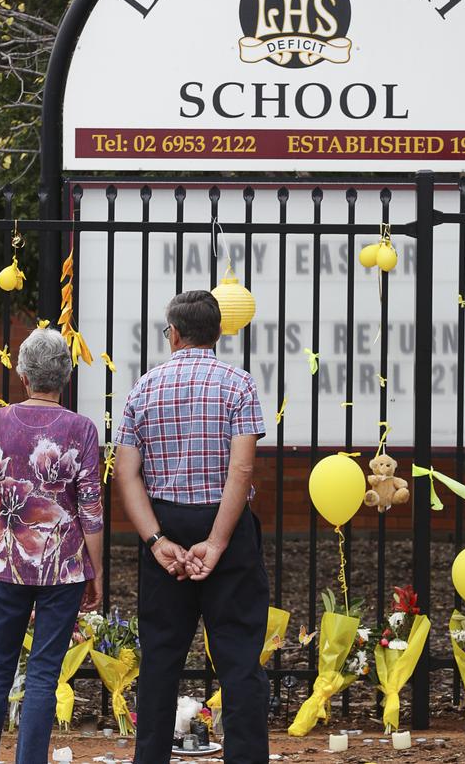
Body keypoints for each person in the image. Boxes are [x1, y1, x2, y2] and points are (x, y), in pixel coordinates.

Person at [114, 290, 269, 764]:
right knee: (239, 655)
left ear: (174, 333)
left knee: (161, 655)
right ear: (218, 333)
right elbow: (240, 472)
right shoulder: (238, 384)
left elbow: (126, 472)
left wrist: (156, 539)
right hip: (226, 521)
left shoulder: (144, 387)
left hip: (164, 519)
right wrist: (219, 541)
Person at [0, 327, 103, 764]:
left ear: (23, 376)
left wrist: (7, 503)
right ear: (64, 376)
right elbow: (92, 512)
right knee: (43, 676)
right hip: (62, 568)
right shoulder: (81, 429)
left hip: (7, 563)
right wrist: (93, 572)